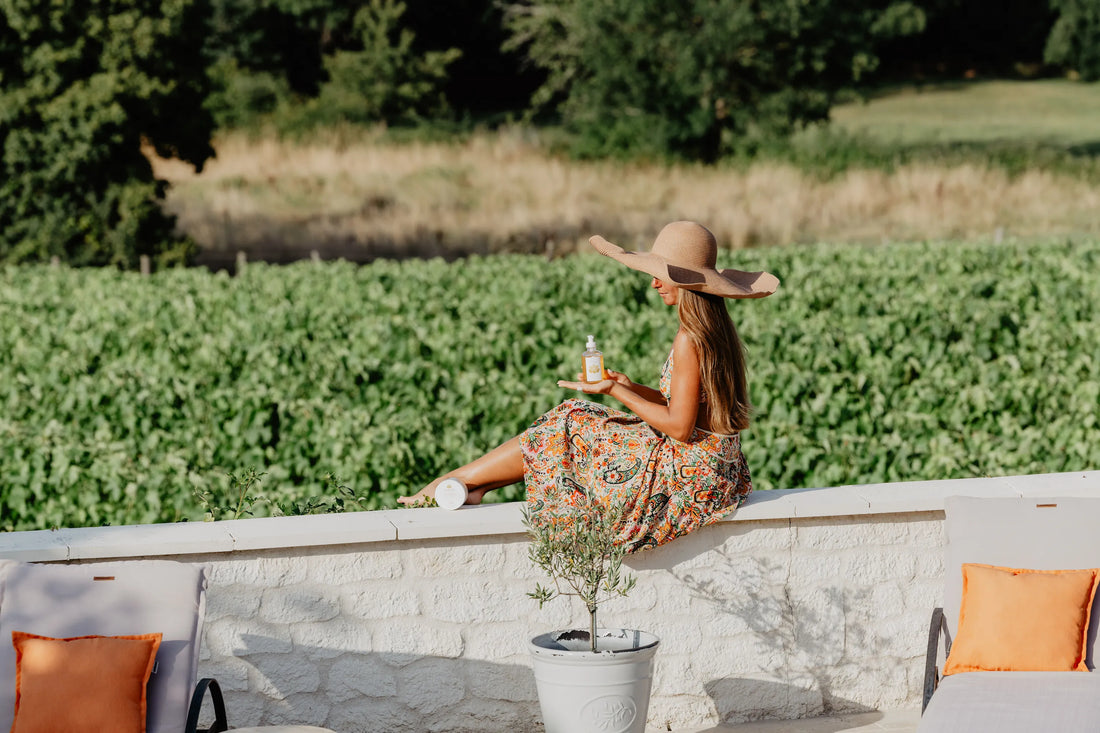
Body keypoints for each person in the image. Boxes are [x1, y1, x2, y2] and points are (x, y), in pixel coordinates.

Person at [397, 221, 778, 553]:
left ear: (683, 282)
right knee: (575, 416)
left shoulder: (688, 339)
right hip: (716, 468)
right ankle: (472, 484)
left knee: (570, 419)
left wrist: (614, 391)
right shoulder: (717, 332)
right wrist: (629, 385)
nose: (654, 283)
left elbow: (679, 427)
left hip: (687, 474)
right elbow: (690, 407)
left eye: (660, 275)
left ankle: (456, 482)